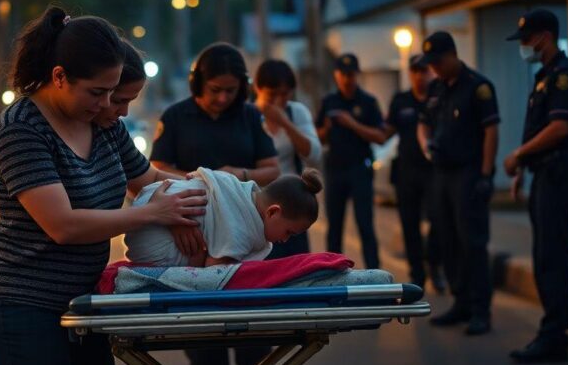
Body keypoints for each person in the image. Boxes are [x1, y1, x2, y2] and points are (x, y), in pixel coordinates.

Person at [0, 6, 207, 365]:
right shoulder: (21, 129)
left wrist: (216, 190)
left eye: (111, 93)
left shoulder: (103, 125)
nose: (107, 105)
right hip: (25, 305)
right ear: (59, 77)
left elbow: (150, 179)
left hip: (86, 300)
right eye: (97, 92)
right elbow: (63, 226)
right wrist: (153, 213)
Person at [150, 41, 281, 365]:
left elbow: (273, 169)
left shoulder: (249, 116)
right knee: (207, 361)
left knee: (259, 360)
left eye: (230, 91)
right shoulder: (175, 117)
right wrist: (205, 182)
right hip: (195, 241)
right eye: (214, 90)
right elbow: (156, 170)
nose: (223, 98)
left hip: (246, 246)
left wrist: (237, 174)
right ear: (197, 84)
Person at [503, 9, 568, 363]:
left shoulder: (565, 75)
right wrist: (524, 167)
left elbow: (559, 127)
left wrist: (519, 154)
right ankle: (552, 331)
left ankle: (555, 335)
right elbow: (538, 128)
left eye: (527, 39)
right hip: (545, 171)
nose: (523, 46)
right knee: (544, 255)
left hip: (560, 171)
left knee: (551, 256)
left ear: (545, 37)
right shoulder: (545, 75)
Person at [417, 31, 500, 336]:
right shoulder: (436, 87)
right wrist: (426, 147)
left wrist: (486, 175)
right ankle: (460, 301)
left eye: (438, 62)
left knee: (472, 243)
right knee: (447, 240)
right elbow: (423, 123)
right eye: (431, 63)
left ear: (453, 55)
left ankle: (480, 310)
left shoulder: (478, 87)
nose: (434, 68)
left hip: (468, 173)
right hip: (441, 173)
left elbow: (491, 131)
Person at [125, 168, 323, 267]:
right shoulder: (241, 230)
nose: (285, 240)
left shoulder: (232, 184)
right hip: (152, 239)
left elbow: (198, 177)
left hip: (148, 202)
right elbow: (214, 273)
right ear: (272, 212)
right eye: (289, 232)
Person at [315, 53, 386, 269]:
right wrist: (326, 128)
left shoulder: (368, 102)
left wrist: (352, 123)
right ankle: (332, 273)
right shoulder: (329, 102)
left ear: (357, 75)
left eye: (351, 74)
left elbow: (380, 137)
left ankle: (374, 274)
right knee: (334, 227)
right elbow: (316, 137)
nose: (347, 79)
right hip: (335, 169)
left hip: (359, 168)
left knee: (365, 225)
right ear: (336, 75)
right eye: (343, 74)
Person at [384, 55, 445, 292]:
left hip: (433, 171)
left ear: (431, 71)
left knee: (438, 220)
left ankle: (435, 266)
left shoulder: (438, 97)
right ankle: (417, 274)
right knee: (410, 225)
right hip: (406, 172)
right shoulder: (400, 100)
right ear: (410, 73)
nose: (420, 75)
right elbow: (386, 131)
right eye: (415, 71)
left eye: (424, 70)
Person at [254, 59, 322, 259]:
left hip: (293, 206)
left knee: (296, 264)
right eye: (272, 94)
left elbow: (314, 154)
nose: (278, 101)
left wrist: (285, 122)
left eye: (284, 94)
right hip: (259, 209)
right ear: (258, 89)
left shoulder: (296, 112)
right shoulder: (248, 116)